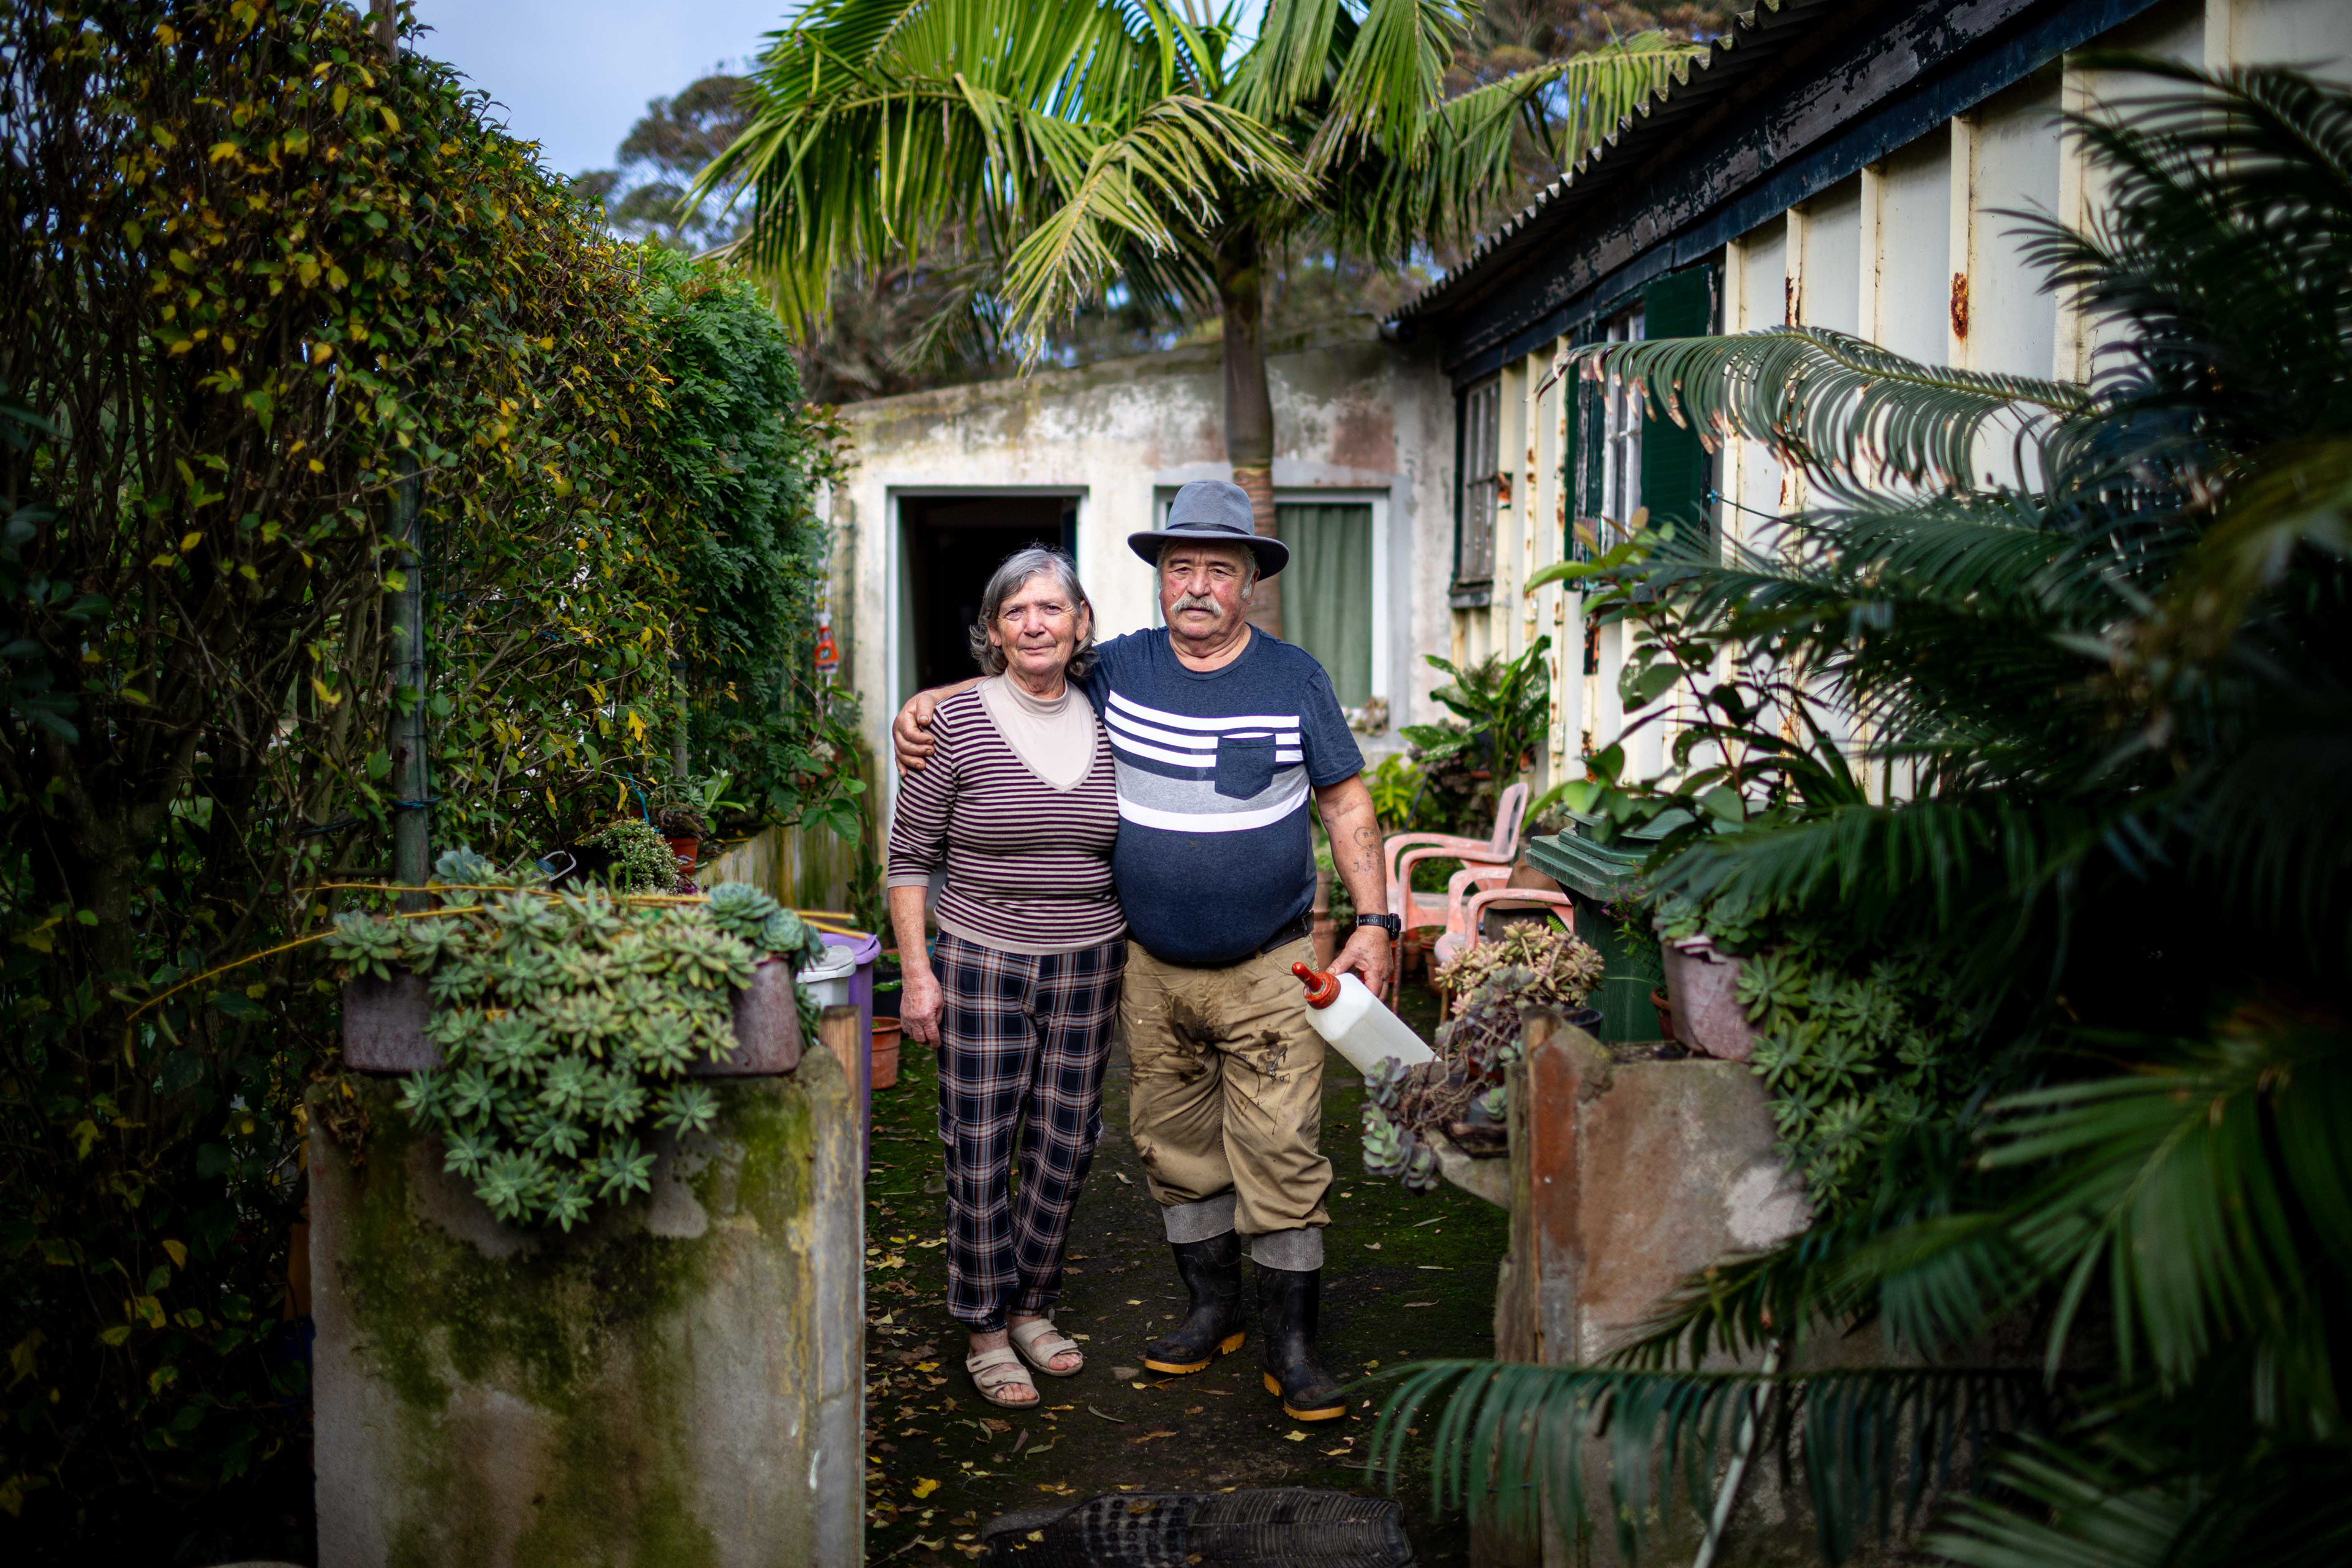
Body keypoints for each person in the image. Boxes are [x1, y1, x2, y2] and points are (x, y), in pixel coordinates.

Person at [895, 480, 1397, 1423]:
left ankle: (1293, 1345)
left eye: (1218, 568)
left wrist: (1376, 922)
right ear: (1159, 583)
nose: (1197, 587)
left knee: (1282, 1150)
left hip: (1268, 967)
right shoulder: (1116, 668)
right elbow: (1024, 668)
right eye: (1180, 569)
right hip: (1150, 971)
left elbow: (1345, 803)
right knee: (1174, 1151)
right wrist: (930, 703)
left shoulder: (1296, 678)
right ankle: (1212, 1311)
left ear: (1249, 582)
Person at [886, 546, 1125, 1411]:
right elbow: (909, 860)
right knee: (981, 1145)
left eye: (1051, 610)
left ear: (1080, 624)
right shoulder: (954, 724)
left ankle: (1033, 1305)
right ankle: (985, 1325)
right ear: (992, 631)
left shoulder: (1110, 717)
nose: (1035, 625)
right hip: (981, 957)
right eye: (1016, 612)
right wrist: (918, 975)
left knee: (1066, 1144)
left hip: (1092, 958)